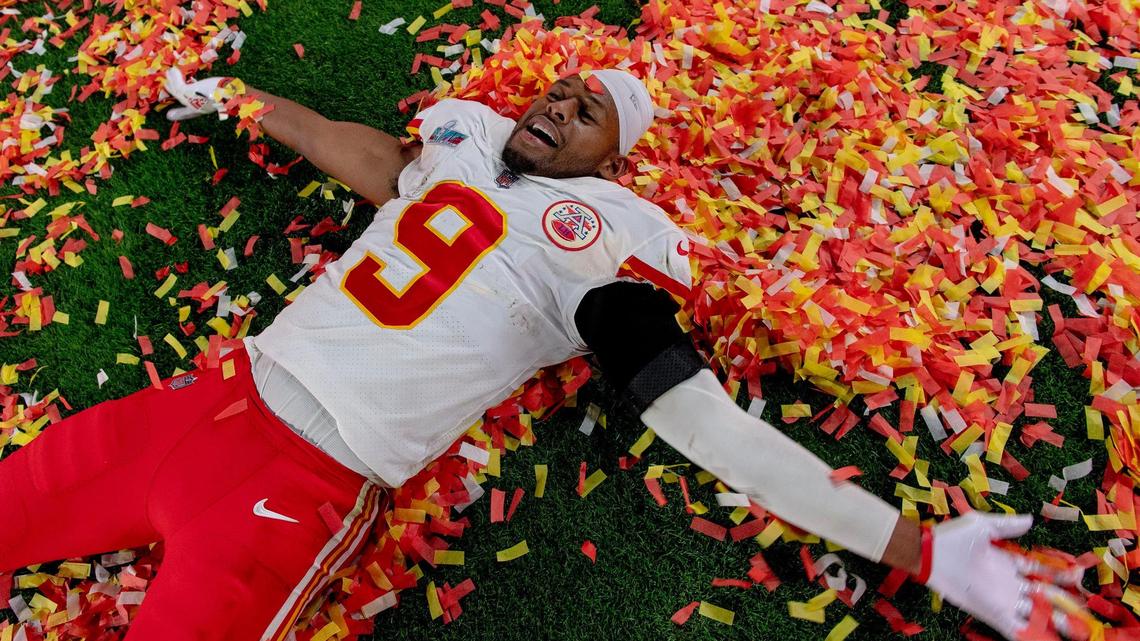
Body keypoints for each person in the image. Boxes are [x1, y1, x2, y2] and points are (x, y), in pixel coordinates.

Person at [0, 65, 1085, 640]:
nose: (564, 100)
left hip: (301, 489)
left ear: (619, 161)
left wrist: (915, 545)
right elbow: (375, 158)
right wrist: (247, 100)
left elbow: (703, 421)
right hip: (206, 404)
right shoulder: (461, 147)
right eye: (563, 88)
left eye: (595, 110)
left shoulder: (607, 246)